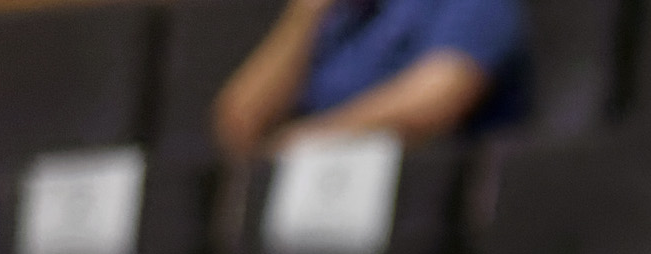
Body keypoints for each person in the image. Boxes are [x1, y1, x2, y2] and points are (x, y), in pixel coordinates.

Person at [211, 0, 531, 157]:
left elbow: (440, 94)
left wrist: (308, 142)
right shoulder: (343, 14)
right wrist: (305, 14)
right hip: (319, 210)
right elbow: (239, 125)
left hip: (424, 203)